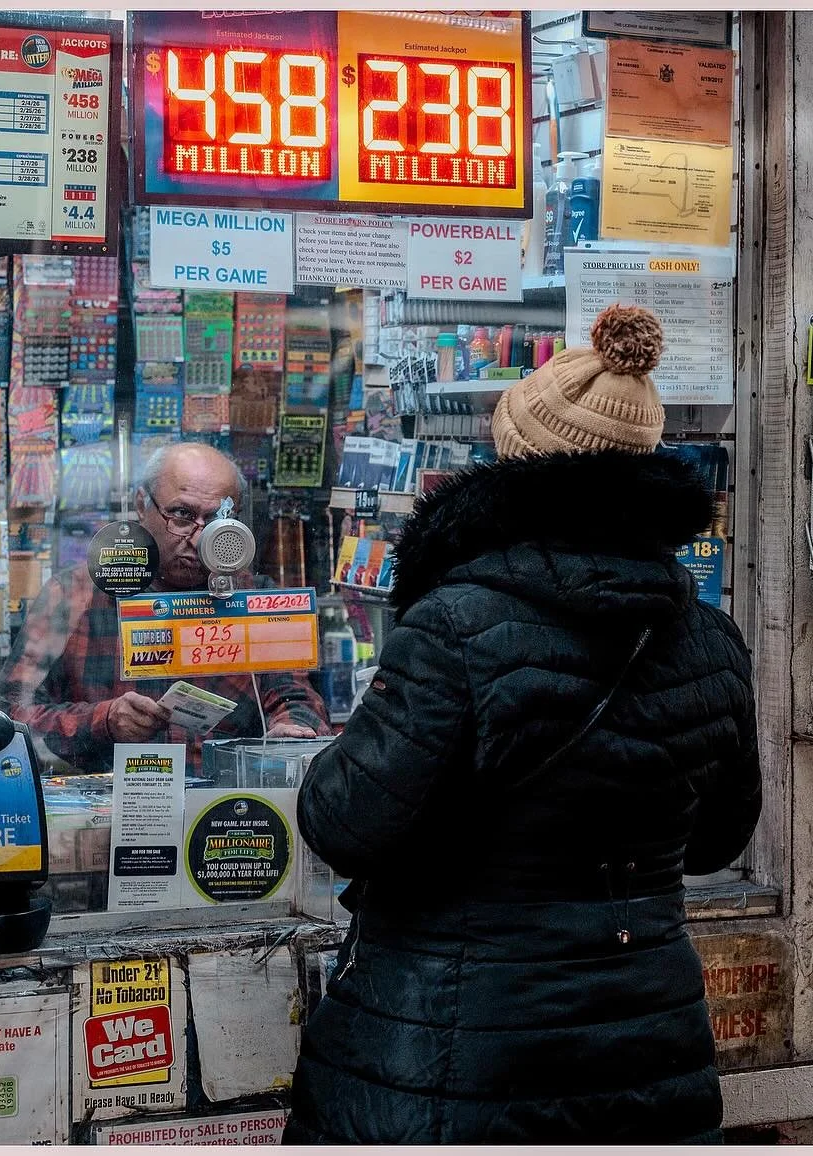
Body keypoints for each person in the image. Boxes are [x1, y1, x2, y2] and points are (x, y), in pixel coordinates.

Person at [285, 305, 762, 1145]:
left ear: (512, 466)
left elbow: (344, 823)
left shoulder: (454, 626)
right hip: (646, 1046)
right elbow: (717, 843)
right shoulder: (712, 641)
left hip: (461, 1051)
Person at [0, 442, 328, 774]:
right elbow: (12, 713)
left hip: (220, 808)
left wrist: (293, 729)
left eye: (216, 521)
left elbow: (296, 697)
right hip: (111, 808)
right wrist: (104, 720)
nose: (198, 540)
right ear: (142, 505)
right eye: (182, 515)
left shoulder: (254, 601)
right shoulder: (74, 596)